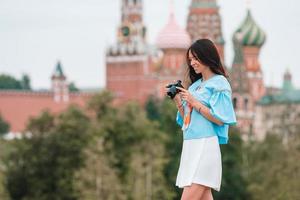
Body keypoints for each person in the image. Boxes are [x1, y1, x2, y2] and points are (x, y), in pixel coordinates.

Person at [170, 39, 237, 200]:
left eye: (195, 58)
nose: (192, 63)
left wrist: (194, 102)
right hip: (191, 145)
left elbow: (220, 119)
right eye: (190, 59)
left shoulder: (219, 83)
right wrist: (178, 101)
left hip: (205, 145)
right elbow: (188, 118)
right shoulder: (195, 86)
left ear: (207, 57)